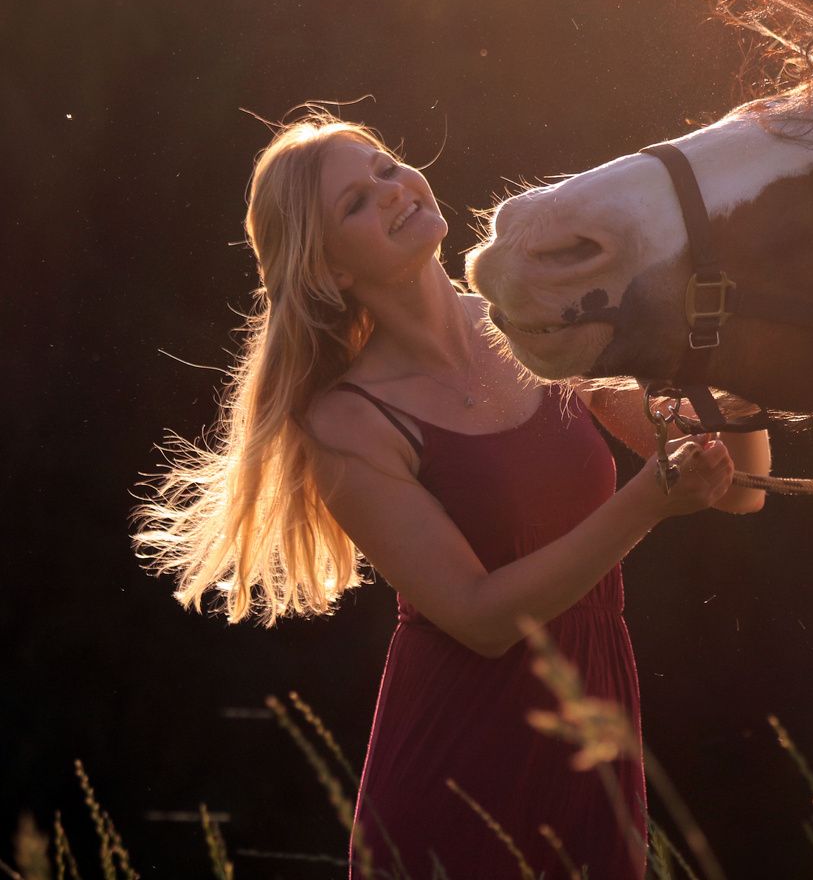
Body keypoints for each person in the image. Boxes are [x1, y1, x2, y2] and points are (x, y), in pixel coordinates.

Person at [134, 111, 769, 880]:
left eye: (385, 167)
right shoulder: (346, 422)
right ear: (330, 270)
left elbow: (742, 481)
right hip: (457, 764)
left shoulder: (540, 330)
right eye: (356, 203)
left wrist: (722, 331)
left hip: (591, 729)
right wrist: (648, 503)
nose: (392, 189)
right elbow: (481, 619)